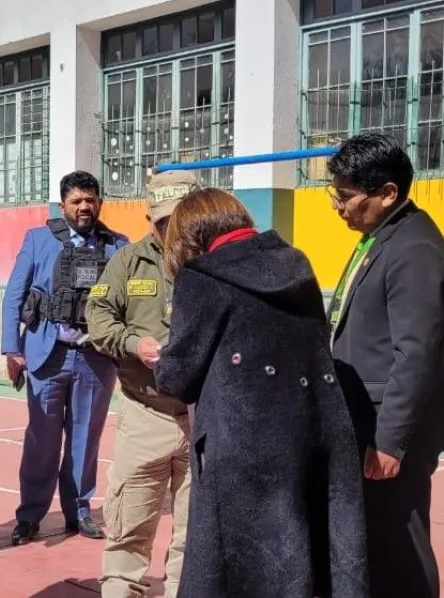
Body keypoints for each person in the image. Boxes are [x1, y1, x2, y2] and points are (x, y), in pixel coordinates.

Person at [152, 187, 368, 598]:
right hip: (309, 437)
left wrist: (160, 360)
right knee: (295, 555)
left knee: (234, 573)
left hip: (240, 453)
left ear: (189, 235)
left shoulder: (202, 278)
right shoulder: (297, 263)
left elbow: (178, 379)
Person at [325, 133, 444, 598]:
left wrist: (390, 441)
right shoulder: (384, 235)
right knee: (377, 543)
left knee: (402, 544)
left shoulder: (414, 247)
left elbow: (418, 351)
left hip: (387, 432)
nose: (338, 205)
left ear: (387, 193)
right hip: (366, 422)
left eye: (346, 195)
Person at [85, 170, 198, 598]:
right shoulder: (127, 261)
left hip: (199, 416)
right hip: (143, 411)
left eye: (180, 218)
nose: (171, 229)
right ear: (150, 216)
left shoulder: (212, 259)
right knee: (128, 528)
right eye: (163, 220)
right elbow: (98, 318)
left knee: (194, 536)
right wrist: (133, 342)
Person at [1, 170, 129, 545]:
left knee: (85, 438)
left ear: (100, 202)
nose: (84, 206)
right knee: (41, 439)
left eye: (90, 199)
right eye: (76, 201)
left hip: (95, 359)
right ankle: (30, 515)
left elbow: (130, 301)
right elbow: (14, 294)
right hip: (47, 354)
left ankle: (80, 511)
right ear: (63, 205)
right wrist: (12, 348)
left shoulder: (117, 246)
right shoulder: (39, 240)